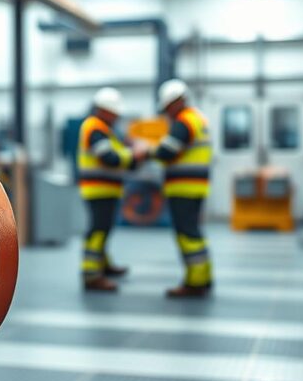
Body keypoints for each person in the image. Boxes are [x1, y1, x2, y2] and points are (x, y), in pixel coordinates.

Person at [77, 88, 146, 292]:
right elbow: (110, 158)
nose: (116, 117)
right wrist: (134, 154)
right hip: (98, 190)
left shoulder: (106, 131)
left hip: (107, 189)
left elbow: (121, 159)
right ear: (103, 110)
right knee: (98, 230)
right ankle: (91, 275)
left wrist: (132, 155)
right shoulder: (95, 129)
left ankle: (103, 265)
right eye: (114, 112)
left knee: (104, 228)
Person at [151, 79, 214, 298]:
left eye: (167, 107)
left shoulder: (184, 122)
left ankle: (195, 283)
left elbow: (166, 152)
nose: (167, 113)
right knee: (194, 233)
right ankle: (204, 277)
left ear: (175, 102)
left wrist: (147, 150)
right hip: (195, 186)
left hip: (184, 188)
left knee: (187, 234)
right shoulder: (198, 118)